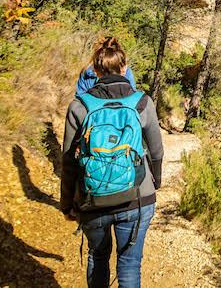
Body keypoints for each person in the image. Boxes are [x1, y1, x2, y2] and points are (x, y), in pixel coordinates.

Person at [61, 37, 163, 288]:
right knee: (129, 265)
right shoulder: (142, 102)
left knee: (98, 256)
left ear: (94, 71)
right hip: (137, 197)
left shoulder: (79, 106)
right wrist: (155, 182)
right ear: (125, 68)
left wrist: (67, 204)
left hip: (93, 200)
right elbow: (157, 151)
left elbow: (68, 162)